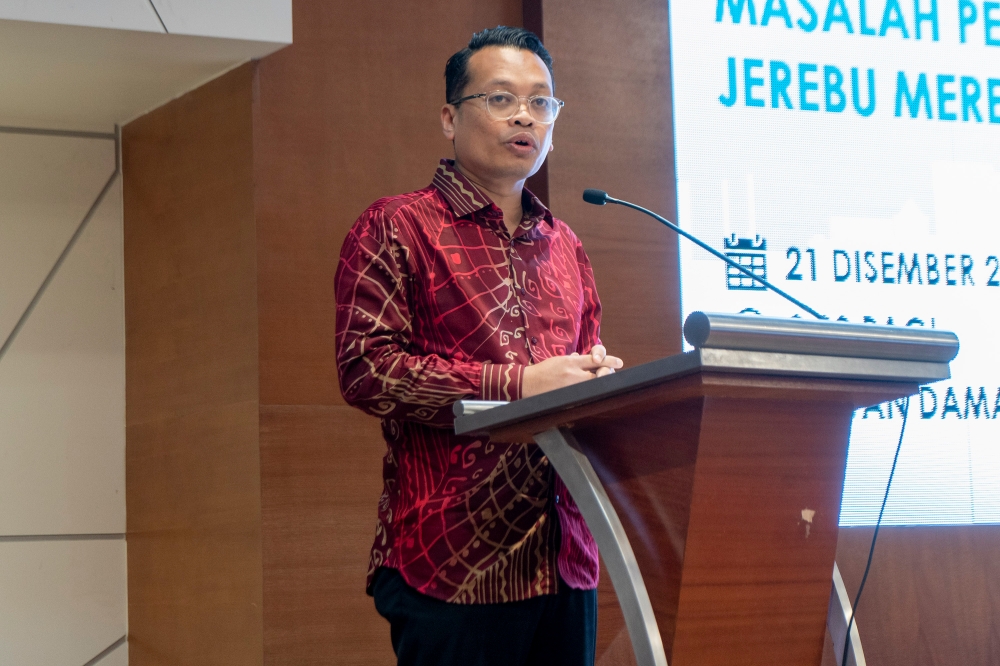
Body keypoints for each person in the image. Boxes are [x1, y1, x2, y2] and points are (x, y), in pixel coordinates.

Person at [334, 25, 622, 666]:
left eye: (542, 102)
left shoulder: (566, 244)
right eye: (500, 98)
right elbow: (366, 369)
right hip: (450, 557)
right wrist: (517, 386)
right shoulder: (397, 225)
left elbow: (578, 369)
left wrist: (598, 380)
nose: (525, 115)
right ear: (449, 117)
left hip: (565, 556)